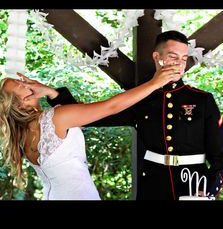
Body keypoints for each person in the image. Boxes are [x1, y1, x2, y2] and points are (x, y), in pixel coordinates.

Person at [22, 30, 223, 200]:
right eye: (173, 57)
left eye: (184, 58)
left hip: (193, 184)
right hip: (153, 186)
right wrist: (53, 93)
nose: (180, 64)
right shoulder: (139, 99)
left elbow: (220, 157)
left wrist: (209, 191)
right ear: (157, 57)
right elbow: (94, 116)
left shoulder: (202, 100)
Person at [0, 63, 179, 200]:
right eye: (20, 85)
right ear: (20, 102)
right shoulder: (55, 118)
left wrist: (50, 92)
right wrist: (155, 83)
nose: (26, 82)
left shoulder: (22, 134)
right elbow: (111, 107)